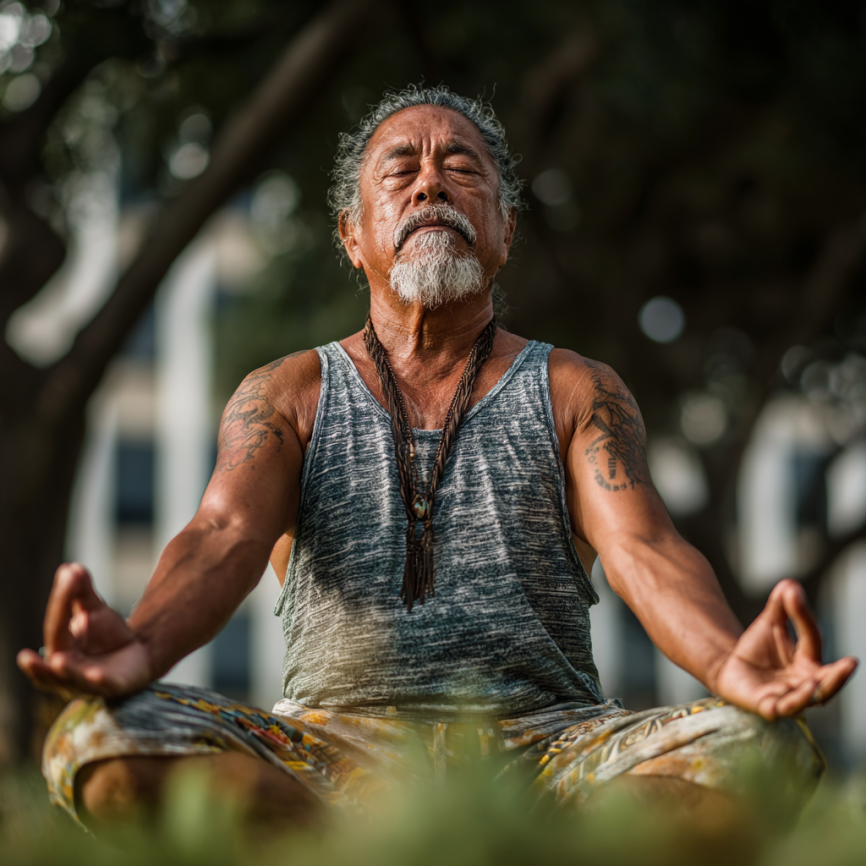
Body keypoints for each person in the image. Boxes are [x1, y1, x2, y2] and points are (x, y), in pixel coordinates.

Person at [18, 85, 857, 832]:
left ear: (505, 230)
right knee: (99, 740)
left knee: (761, 746)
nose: (430, 183)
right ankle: (421, 844)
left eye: (462, 168)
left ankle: (459, 842)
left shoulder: (576, 387)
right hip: (330, 756)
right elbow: (223, 533)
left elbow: (645, 549)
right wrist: (142, 647)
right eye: (400, 170)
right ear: (352, 235)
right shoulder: (285, 392)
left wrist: (724, 659)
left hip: (551, 751)